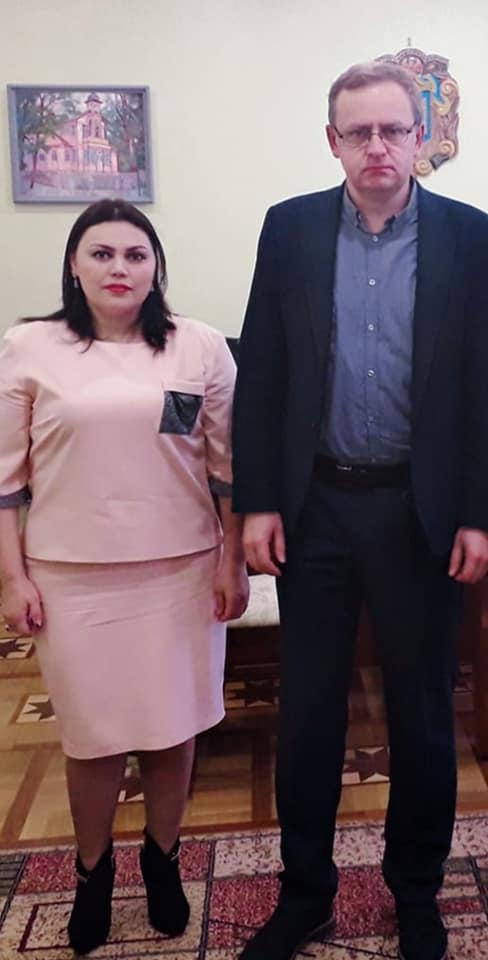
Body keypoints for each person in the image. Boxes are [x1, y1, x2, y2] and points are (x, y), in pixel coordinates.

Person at [232, 60, 488, 960]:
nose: (378, 146)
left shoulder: (472, 236)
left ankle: (416, 892)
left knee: (422, 711)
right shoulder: (289, 229)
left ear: (421, 137)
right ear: (334, 142)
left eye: (394, 129)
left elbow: (487, 385)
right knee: (309, 713)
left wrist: (481, 514)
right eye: (360, 132)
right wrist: (257, 503)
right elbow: (263, 374)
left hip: (417, 515)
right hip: (315, 509)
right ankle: (306, 893)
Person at [0, 199, 249, 955]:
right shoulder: (29, 347)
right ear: (74, 266)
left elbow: (228, 469)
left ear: (155, 268)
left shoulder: (198, 347)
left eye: (135, 255)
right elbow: (5, 482)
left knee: (174, 729)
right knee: (93, 738)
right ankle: (92, 871)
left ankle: (163, 861)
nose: (119, 268)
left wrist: (232, 557)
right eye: (102, 253)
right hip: (71, 577)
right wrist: (12, 579)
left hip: (181, 570)